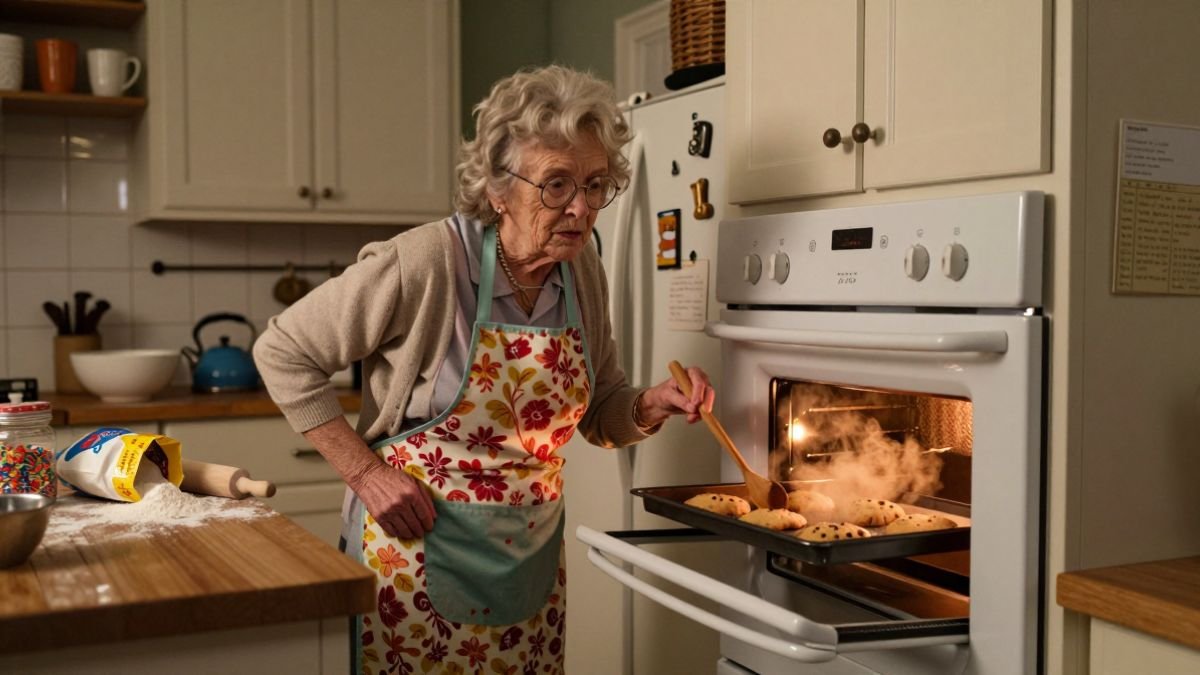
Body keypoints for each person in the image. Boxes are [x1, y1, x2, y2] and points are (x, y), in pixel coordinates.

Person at [253, 64, 715, 674]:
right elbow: (282, 350)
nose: (580, 208)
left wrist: (649, 405)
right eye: (556, 185)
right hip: (415, 554)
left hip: (530, 560)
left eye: (596, 184)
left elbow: (601, 412)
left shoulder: (582, 272)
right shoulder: (426, 261)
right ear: (499, 190)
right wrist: (365, 473)